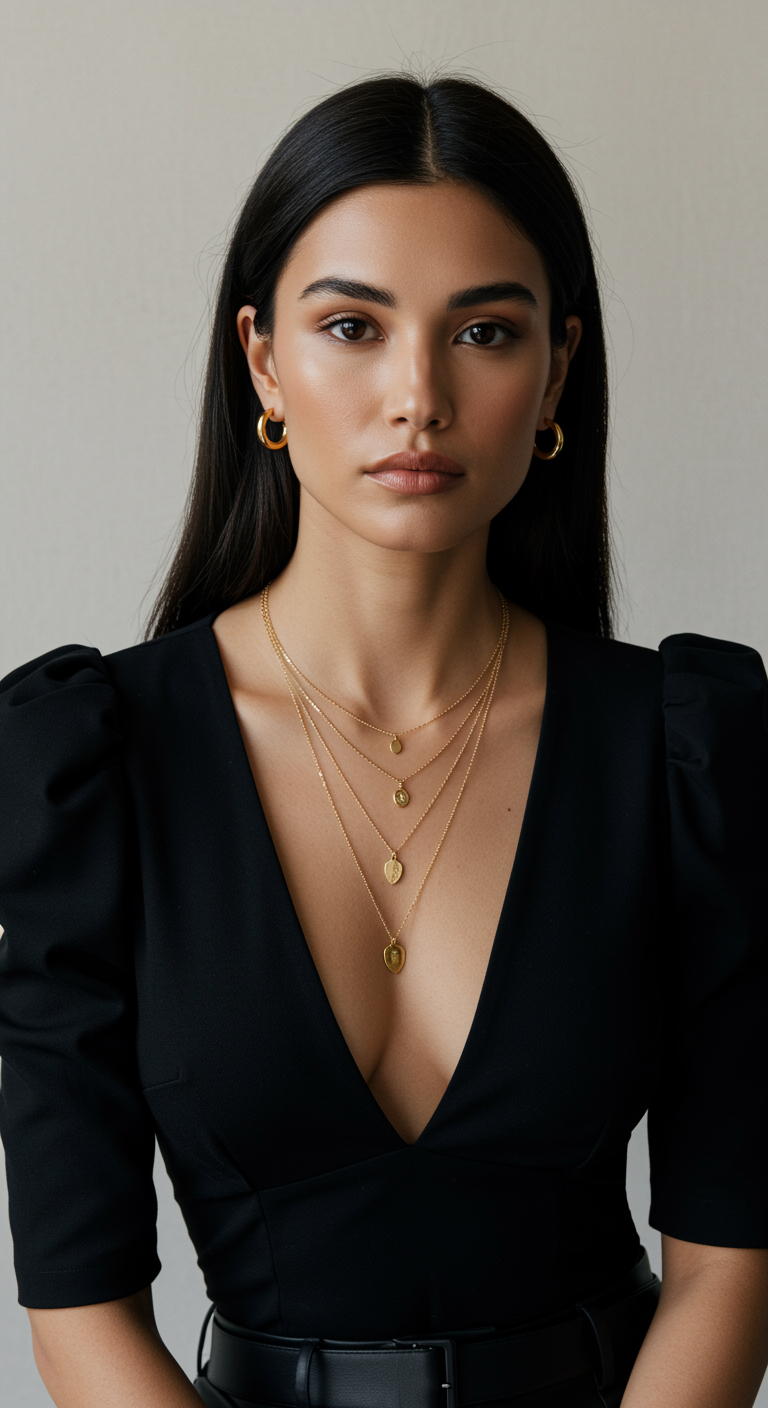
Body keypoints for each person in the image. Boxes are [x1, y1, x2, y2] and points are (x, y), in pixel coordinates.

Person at [0, 72, 767, 1408]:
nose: (418, 395)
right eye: (352, 325)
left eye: (484, 332)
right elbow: (79, 1314)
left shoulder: (686, 752)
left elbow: (730, 1265)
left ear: (557, 368)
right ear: (263, 360)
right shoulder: (94, 762)